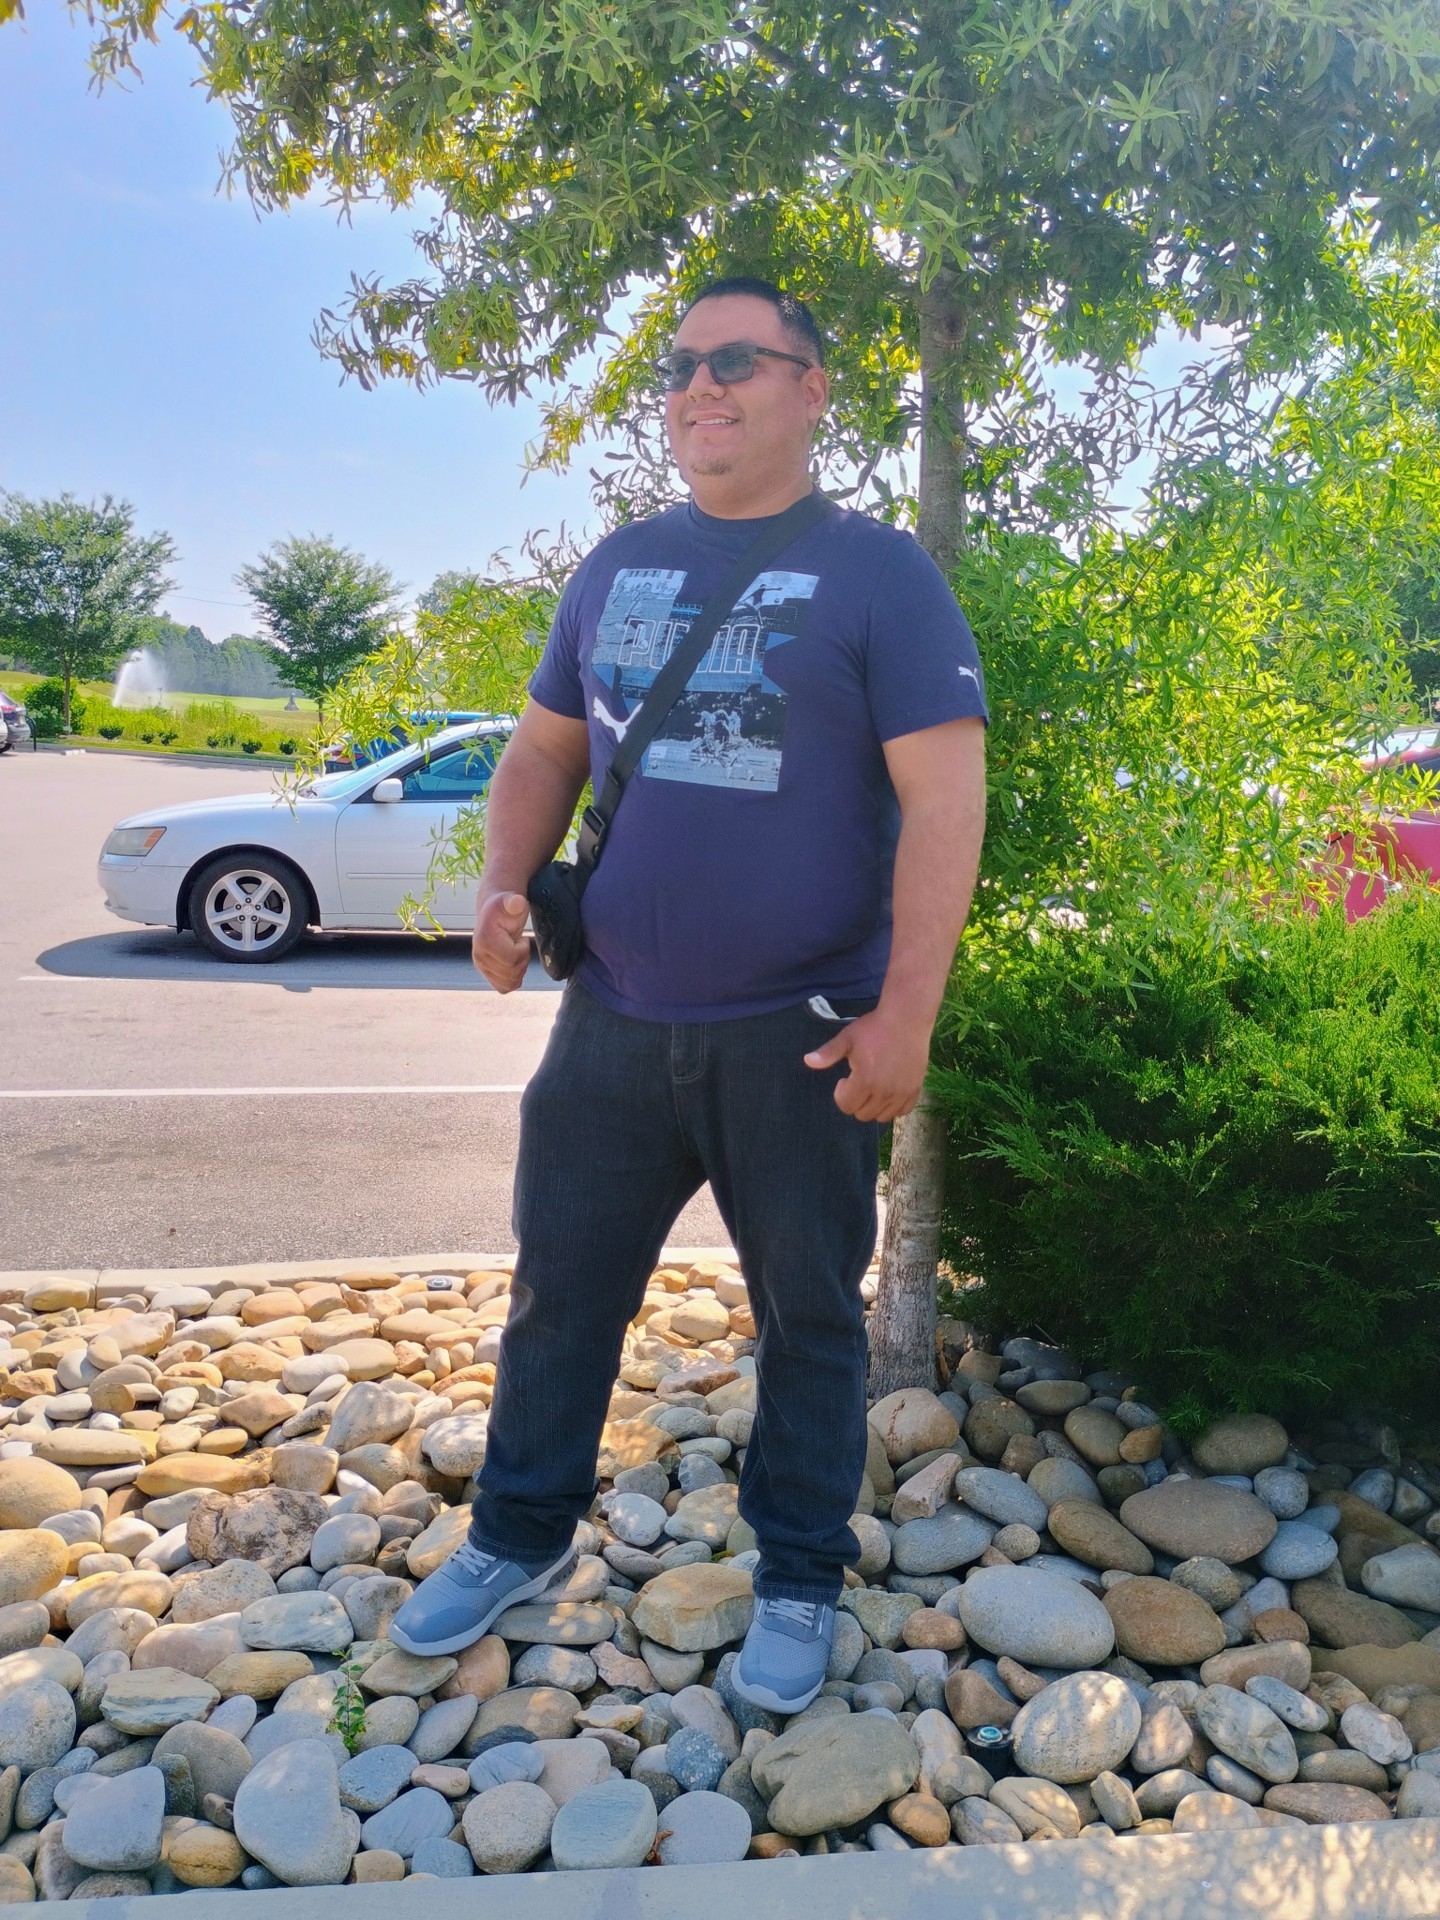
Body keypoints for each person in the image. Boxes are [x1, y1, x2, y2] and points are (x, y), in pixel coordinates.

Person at [389, 276, 988, 1713]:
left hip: (802, 1036)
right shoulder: (616, 566)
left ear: (811, 389)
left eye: (736, 360)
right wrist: (503, 885)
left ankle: (798, 1575)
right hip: (610, 1021)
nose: (698, 387)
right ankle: (519, 1531)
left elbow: (946, 797)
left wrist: (907, 1015)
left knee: (810, 1319)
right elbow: (543, 753)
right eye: (679, 366)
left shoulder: (881, 574)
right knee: (559, 1295)